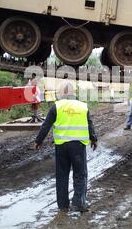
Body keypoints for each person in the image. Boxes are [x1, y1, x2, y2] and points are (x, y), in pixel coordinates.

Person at [35, 83, 98, 213]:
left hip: (61, 146)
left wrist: (39, 141)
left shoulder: (56, 107)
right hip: (78, 146)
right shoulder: (82, 106)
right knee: (80, 174)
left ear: (62, 92)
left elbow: (46, 125)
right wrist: (94, 139)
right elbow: (89, 124)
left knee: (62, 175)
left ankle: (63, 205)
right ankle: (79, 203)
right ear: (73, 92)